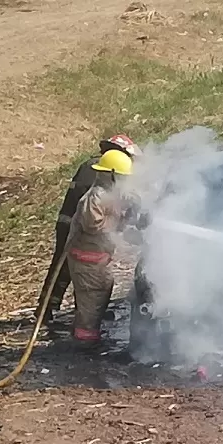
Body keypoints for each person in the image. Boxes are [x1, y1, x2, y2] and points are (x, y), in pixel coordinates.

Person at [41, 134, 139, 327]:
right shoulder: (99, 170)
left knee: (78, 273)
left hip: (79, 223)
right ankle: (46, 310)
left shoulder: (95, 165)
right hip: (76, 226)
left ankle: (81, 311)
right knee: (68, 269)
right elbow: (98, 207)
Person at [61, 149, 135, 351]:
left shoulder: (109, 194)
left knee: (101, 291)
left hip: (96, 259)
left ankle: (84, 331)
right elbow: (94, 226)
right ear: (111, 174)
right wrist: (120, 225)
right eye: (122, 176)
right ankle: (85, 344)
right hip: (86, 260)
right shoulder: (95, 197)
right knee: (92, 300)